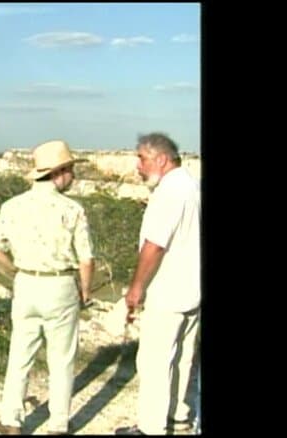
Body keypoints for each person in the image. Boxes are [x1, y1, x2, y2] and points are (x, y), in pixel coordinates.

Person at [0, 140, 94, 435]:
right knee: (61, 360)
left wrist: (15, 272)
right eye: (70, 170)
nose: (73, 176)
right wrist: (85, 292)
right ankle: (58, 423)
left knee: (20, 354)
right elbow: (86, 259)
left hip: (26, 282)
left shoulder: (12, 206)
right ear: (58, 172)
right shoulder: (72, 209)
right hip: (60, 284)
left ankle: (11, 419)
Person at [115, 133, 201, 435]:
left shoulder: (169, 192)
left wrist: (136, 287)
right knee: (183, 358)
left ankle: (151, 427)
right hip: (191, 289)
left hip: (167, 291)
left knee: (154, 362)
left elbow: (154, 245)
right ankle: (177, 415)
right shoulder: (192, 185)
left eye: (142, 158)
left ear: (161, 159)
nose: (138, 166)